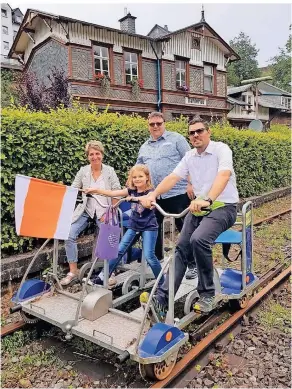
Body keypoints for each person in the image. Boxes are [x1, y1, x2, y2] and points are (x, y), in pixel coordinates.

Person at [140, 116, 239, 315]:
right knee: (181, 248)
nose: (195, 135)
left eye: (199, 131)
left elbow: (223, 175)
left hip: (223, 207)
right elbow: (173, 177)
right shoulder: (190, 157)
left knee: (199, 239)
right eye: (192, 132)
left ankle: (207, 294)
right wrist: (153, 194)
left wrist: (208, 199)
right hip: (199, 209)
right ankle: (161, 300)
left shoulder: (221, 149)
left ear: (208, 132)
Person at [136, 111, 197, 279]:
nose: (155, 126)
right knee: (152, 228)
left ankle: (193, 265)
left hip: (178, 193)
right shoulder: (145, 146)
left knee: (185, 229)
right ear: (148, 126)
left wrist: (191, 183)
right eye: (152, 124)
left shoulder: (176, 139)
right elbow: (138, 170)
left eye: (159, 123)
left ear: (164, 123)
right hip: (155, 196)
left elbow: (190, 161)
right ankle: (157, 261)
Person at [84, 164, 164, 286]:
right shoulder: (131, 191)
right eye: (134, 177)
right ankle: (102, 277)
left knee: (149, 255)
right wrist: (95, 191)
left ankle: (163, 282)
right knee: (119, 250)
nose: (137, 179)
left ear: (147, 178)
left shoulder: (151, 192)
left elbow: (149, 203)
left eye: (140, 176)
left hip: (149, 227)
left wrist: (133, 199)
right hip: (134, 225)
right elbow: (112, 193)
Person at [60, 140, 121, 286]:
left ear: (102, 155)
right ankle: (73, 271)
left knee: (105, 239)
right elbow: (74, 188)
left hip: (105, 210)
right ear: (88, 156)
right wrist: (64, 190)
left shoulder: (109, 171)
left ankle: (108, 272)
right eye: (91, 154)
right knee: (69, 234)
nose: (94, 157)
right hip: (87, 210)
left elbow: (117, 193)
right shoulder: (83, 171)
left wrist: (110, 212)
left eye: (97, 153)